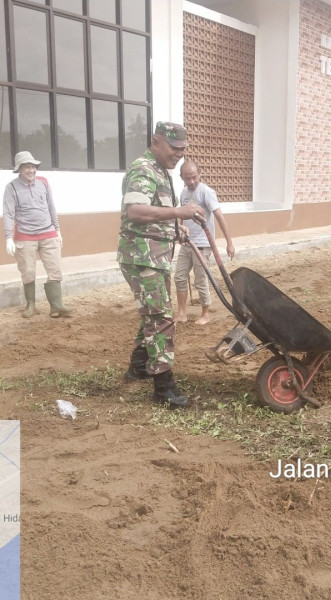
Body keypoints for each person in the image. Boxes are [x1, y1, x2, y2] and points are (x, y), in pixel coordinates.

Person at [119, 121, 204, 409]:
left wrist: (175, 228)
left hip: (153, 255)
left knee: (153, 312)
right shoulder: (143, 169)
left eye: (182, 149)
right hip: (142, 257)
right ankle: (164, 387)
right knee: (161, 317)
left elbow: (157, 214)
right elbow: (135, 211)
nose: (179, 153)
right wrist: (180, 211)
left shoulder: (161, 172)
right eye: (174, 147)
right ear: (157, 142)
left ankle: (140, 366)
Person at [3, 151, 72, 318]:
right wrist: (8, 238)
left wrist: (57, 230)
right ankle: (31, 305)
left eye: (33, 166)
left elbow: (51, 207)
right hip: (25, 236)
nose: (31, 170)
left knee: (54, 268)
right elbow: (8, 213)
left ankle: (56, 306)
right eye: (27, 167)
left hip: (48, 232)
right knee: (27, 271)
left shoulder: (44, 183)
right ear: (19, 169)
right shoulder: (11, 187)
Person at [174, 161, 235, 325]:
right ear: (182, 178)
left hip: (202, 245)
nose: (192, 181)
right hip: (187, 244)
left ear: (199, 174)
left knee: (200, 280)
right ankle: (181, 313)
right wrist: (180, 229)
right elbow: (181, 214)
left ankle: (205, 314)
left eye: (194, 177)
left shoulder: (206, 192)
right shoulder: (183, 193)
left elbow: (219, 216)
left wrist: (229, 243)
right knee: (179, 277)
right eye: (188, 178)